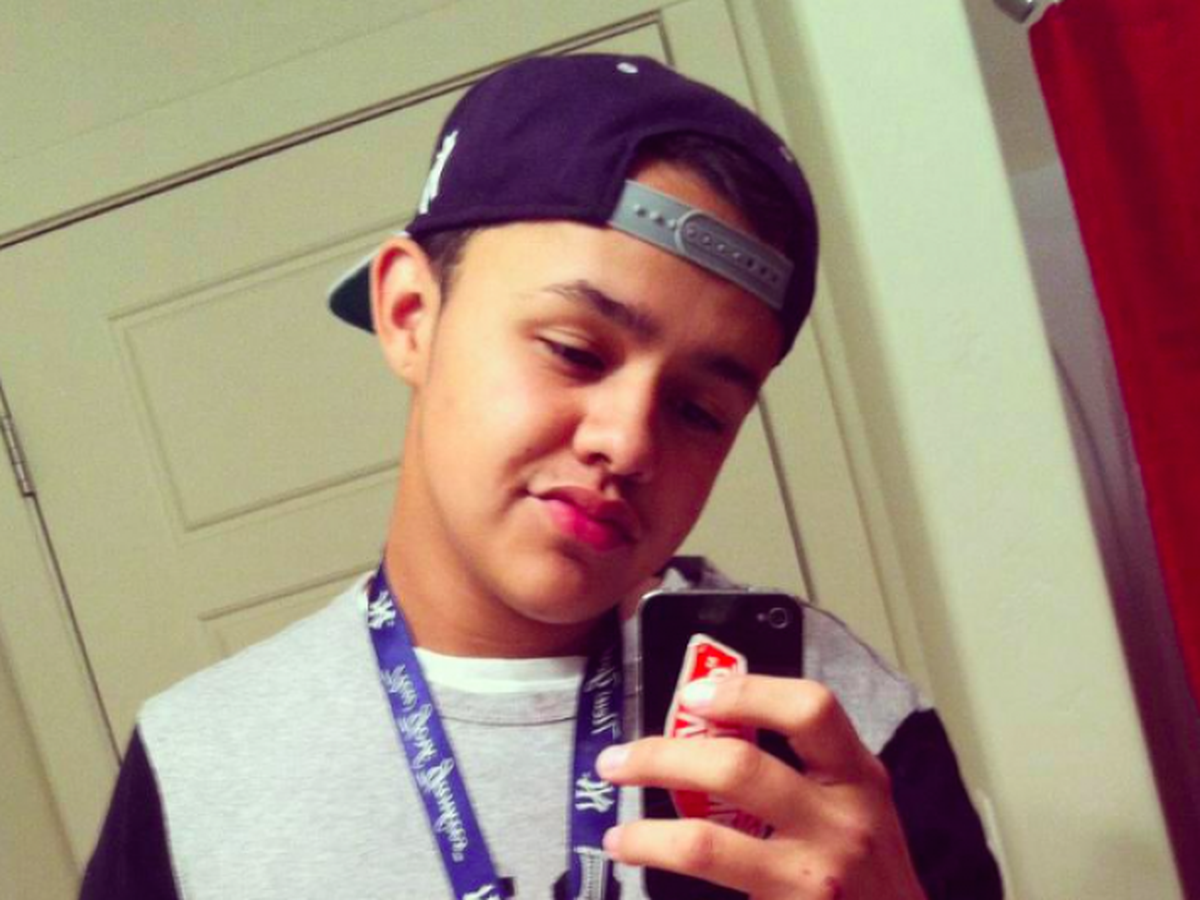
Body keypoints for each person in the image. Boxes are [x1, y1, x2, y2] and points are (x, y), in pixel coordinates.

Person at [80, 55, 1002, 900]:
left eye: (699, 411)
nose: (628, 443)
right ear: (410, 314)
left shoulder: (839, 731)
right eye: (573, 350)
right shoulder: (199, 762)